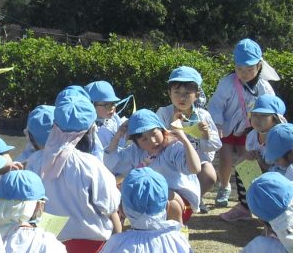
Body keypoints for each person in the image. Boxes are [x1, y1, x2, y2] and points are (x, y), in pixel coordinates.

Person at [28, 89, 122, 253]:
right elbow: (110, 205)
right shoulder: (91, 164)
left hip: (52, 241)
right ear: (90, 129)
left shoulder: (35, 161)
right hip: (92, 242)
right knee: (111, 212)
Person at [207, 38, 278, 207]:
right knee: (225, 157)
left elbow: (272, 110)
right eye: (239, 68)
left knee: (247, 158)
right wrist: (217, 124)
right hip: (226, 127)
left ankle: (248, 196)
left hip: (250, 130)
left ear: (259, 66)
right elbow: (216, 105)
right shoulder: (227, 83)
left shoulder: (264, 87)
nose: (243, 73)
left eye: (249, 69)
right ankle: (224, 187)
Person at [105, 109, 202, 222]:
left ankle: (176, 233)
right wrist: (117, 136)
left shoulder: (172, 147)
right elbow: (110, 164)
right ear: (136, 142)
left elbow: (195, 168)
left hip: (178, 203)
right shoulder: (136, 151)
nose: (152, 141)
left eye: (154, 133)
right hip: (151, 202)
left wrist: (184, 140)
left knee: (164, 194)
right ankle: (120, 236)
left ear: (161, 130)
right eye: (144, 139)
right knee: (118, 194)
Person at [155, 67, 222, 212]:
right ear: (169, 93)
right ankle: (169, 203)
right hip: (169, 159)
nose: (182, 98)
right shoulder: (163, 113)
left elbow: (216, 145)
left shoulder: (202, 116)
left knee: (210, 175)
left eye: (187, 93)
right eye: (177, 93)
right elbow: (155, 140)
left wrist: (206, 135)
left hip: (196, 157)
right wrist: (172, 127)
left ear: (196, 95)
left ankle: (192, 200)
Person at [219, 94, 287, 223]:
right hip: (264, 175)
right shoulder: (252, 136)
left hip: (283, 181)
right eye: (255, 115)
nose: (257, 119)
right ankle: (245, 208)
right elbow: (240, 164)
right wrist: (246, 156)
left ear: (276, 119)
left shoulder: (281, 139)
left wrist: (261, 163)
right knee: (244, 166)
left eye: (263, 116)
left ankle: (274, 215)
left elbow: (284, 171)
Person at [86, 81, 129, 152]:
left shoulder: (113, 117)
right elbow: (106, 155)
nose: (112, 107)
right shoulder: (93, 131)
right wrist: (118, 136)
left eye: (113, 103)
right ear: (92, 106)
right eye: (107, 105)